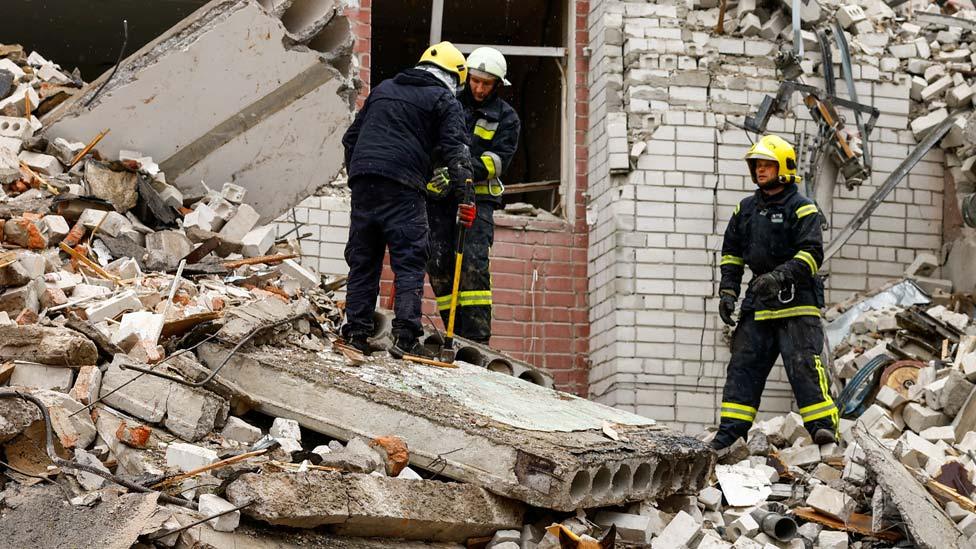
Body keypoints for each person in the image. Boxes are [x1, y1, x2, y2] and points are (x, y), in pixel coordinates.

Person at [340, 41, 473, 359]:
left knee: (364, 260)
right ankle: (405, 337)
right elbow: (457, 152)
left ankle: (356, 334)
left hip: (364, 181)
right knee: (410, 259)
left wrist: (361, 174)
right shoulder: (443, 99)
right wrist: (465, 196)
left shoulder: (384, 89)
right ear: (454, 77)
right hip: (403, 186)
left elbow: (350, 138)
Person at [711, 134, 837, 451]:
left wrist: (780, 276)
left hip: (797, 302)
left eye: (767, 164)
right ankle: (730, 433)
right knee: (743, 366)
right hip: (759, 304)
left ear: (784, 167)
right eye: (756, 165)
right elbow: (732, 254)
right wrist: (728, 291)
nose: (760, 170)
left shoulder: (803, 209)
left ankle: (823, 428)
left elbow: (811, 253)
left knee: (803, 366)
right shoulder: (745, 210)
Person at [426, 47, 521, 344]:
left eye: (487, 83)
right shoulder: (448, 103)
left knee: (473, 266)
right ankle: (452, 333)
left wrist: (458, 173)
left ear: (498, 85)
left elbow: (496, 161)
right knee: (439, 264)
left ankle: (477, 340)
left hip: (478, 202)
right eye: (475, 81)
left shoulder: (506, 118)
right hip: (441, 202)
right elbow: (431, 144)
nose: (479, 88)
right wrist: (431, 175)